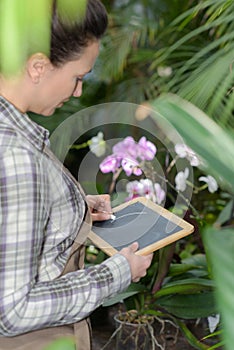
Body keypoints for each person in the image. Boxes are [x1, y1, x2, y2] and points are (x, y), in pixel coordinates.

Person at [0, 1, 153, 349]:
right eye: (77, 77)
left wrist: (75, 208)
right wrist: (118, 273)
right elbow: (13, 310)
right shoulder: (17, 156)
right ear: (38, 66)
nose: (78, 91)